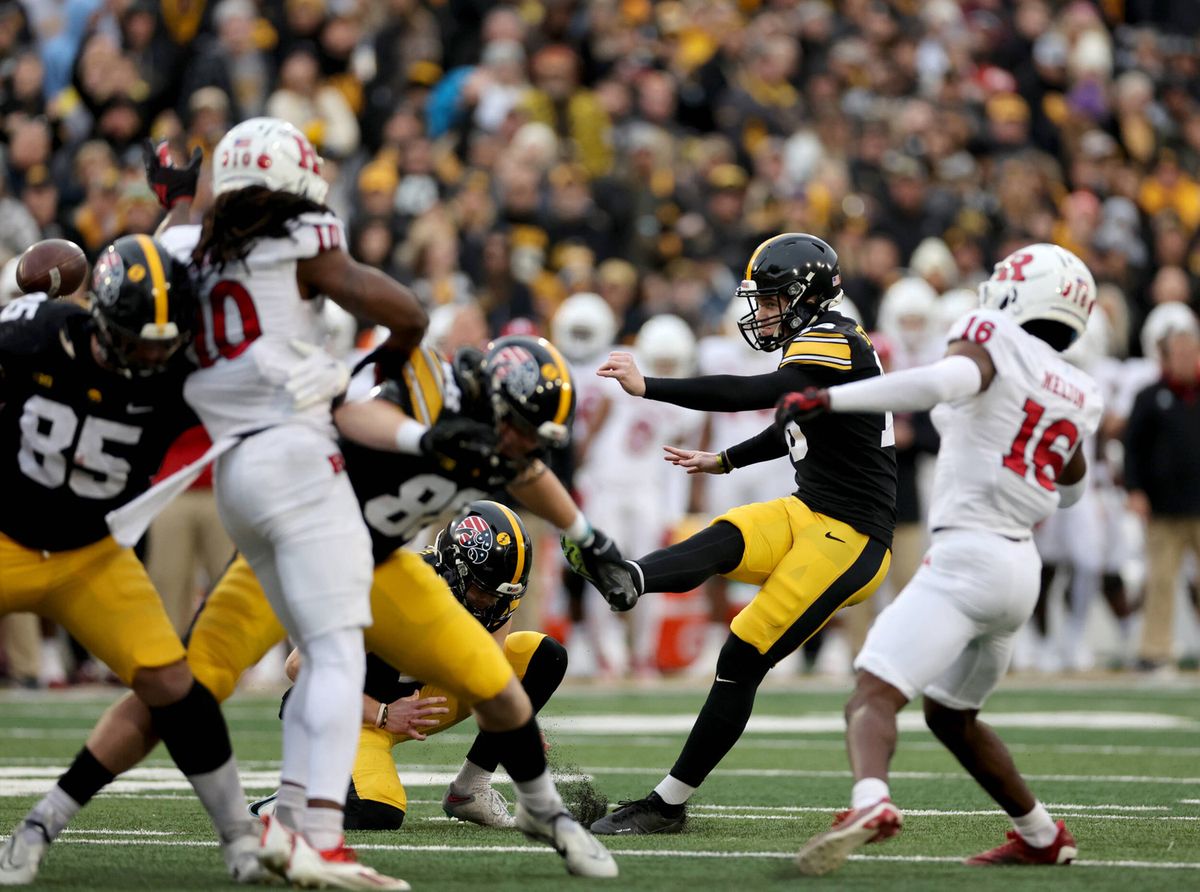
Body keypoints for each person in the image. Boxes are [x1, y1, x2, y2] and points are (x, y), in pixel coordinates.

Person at [27, 333, 622, 879]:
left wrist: (591, 538)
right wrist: (421, 437)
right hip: (301, 542)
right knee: (184, 686)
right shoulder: (434, 391)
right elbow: (354, 413)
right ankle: (47, 819)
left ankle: (544, 812)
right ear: (492, 399)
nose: (520, 444)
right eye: (519, 427)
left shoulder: (503, 452)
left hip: (377, 562)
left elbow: (529, 472)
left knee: (496, 674)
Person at [155, 117, 430, 889]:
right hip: (296, 456)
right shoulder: (303, 235)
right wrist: (384, 366)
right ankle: (320, 836)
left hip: (232, 469)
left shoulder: (184, 245)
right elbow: (404, 309)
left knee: (315, 648)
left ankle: (286, 826)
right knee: (337, 649)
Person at [780, 243, 1102, 875]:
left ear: (1017, 291)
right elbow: (1072, 490)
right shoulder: (1078, 386)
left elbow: (946, 383)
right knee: (951, 715)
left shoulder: (990, 337)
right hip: (1019, 570)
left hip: (967, 556)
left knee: (871, 692)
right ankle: (1041, 834)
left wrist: (834, 399)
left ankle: (870, 800)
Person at [579, 233, 898, 834]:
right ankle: (631, 578)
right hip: (814, 512)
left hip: (853, 538)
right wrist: (724, 462)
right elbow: (792, 422)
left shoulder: (834, 336)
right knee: (726, 533)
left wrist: (653, 386)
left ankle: (667, 803)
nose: (764, 311)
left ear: (806, 295)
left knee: (741, 653)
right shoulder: (819, 341)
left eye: (774, 298)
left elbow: (750, 393)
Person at [0, 236, 262, 884]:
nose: (152, 353)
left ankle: (239, 838)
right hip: (6, 537)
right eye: (138, 339)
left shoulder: (181, 375)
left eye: (162, 342)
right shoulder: (37, 333)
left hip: (91, 555)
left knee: (171, 684)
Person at [253, 500, 569, 831]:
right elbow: (298, 667)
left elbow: (489, 676)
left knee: (544, 656)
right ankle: (291, 802)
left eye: (500, 596)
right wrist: (382, 714)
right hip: (350, 713)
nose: (491, 603)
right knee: (378, 811)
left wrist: (514, 724)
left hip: (416, 699)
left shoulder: (497, 594)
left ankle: (470, 790)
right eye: (481, 591)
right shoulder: (395, 588)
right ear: (453, 567)